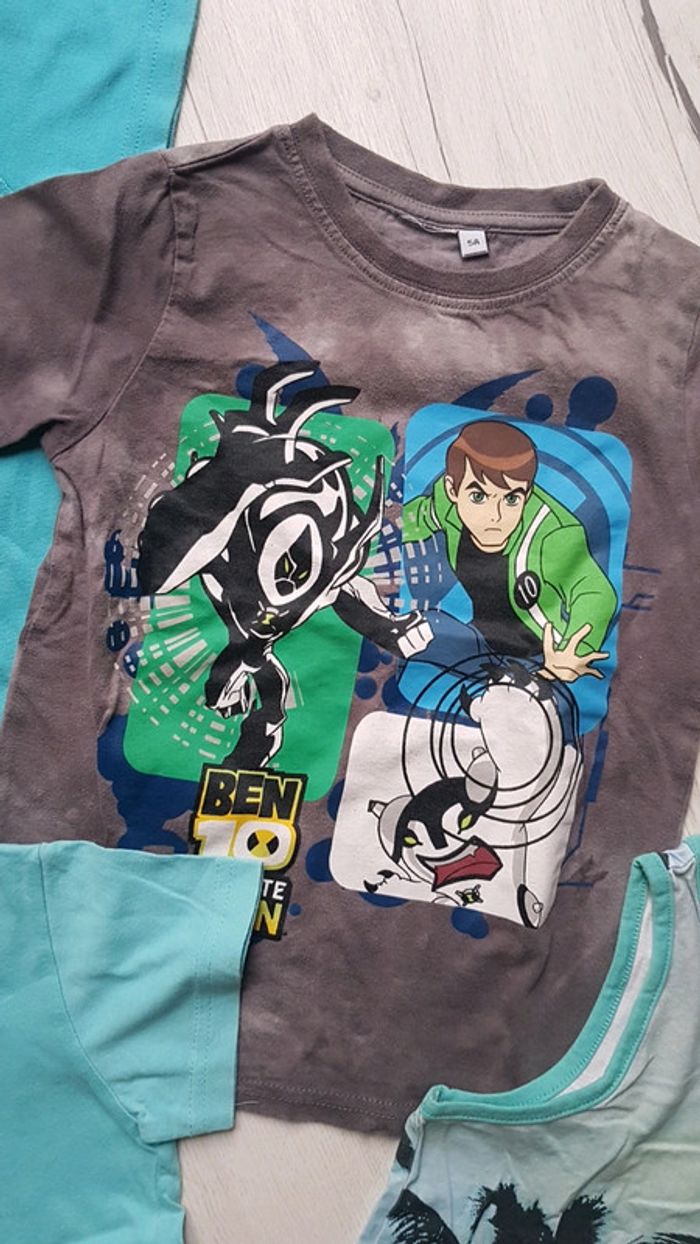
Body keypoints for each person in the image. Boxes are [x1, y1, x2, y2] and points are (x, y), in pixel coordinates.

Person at [402, 420, 616, 682]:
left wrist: (571, 653)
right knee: (419, 638)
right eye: (479, 497)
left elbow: (595, 594)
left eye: (511, 499)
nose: (496, 516)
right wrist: (378, 530)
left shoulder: (554, 534)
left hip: (538, 660)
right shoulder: (446, 503)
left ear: (527, 495)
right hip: (479, 641)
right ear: (452, 490)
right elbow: (419, 516)